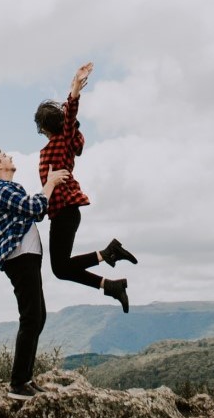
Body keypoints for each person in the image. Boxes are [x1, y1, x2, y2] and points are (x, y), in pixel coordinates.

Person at [35, 62, 138, 313]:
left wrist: (75, 89)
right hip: (61, 213)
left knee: (59, 268)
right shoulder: (55, 146)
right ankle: (110, 280)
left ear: (45, 127)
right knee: (61, 268)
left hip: (66, 211)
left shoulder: (62, 140)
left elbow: (70, 114)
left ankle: (109, 257)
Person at [0, 147, 68, 400]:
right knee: (31, 317)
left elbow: (37, 211)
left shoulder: (10, 189)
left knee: (37, 317)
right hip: (19, 257)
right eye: (5, 156)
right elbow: (34, 206)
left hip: (27, 256)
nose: (10, 157)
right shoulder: (0, 189)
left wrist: (43, 196)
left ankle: (25, 379)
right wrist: (49, 183)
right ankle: (18, 383)